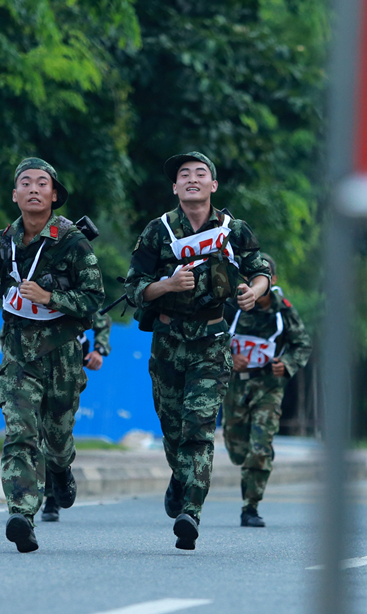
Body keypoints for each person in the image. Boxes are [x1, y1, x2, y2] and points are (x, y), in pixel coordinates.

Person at [124, 151, 271, 551]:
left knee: (199, 428)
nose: (192, 179)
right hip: (167, 343)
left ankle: (191, 511)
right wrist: (167, 286)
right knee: (173, 430)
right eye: (184, 175)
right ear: (175, 187)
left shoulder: (233, 230)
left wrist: (252, 293)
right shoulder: (157, 231)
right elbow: (134, 288)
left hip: (211, 340)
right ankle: (181, 477)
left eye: (200, 173)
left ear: (213, 185)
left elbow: (261, 270)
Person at [0, 158, 104, 553]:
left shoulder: (72, 241)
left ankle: (60, 469)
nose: (34, 189)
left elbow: (94, 299)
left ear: (54, 195)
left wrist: (49, 297)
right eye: (26, 183)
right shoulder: (1, 242)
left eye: (43, 183)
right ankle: (22, 514)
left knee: (56, 438)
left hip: (62, 354)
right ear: (15, 194)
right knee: (20, 432)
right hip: (18, 353)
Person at [222, 253, 312, 527]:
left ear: (272, 280)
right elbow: (208, 337)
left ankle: (250, 507)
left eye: (262, 277)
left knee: (259, 447)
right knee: (238, 451)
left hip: (268, 387)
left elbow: (302, 344)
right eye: (250, 277)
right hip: (236, 385)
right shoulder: (231, 306)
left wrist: (287, 364)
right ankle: (255, 457)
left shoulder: (283, 311)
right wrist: (229, 356)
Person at [41, 312, 112, 523]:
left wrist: (99, 349)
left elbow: (100, 318)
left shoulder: (71, 292)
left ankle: (53, 494)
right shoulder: (22, 296)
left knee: (56, 434)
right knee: (31, 431)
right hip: (31, 365)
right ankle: (27, 501)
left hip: (66, 367)